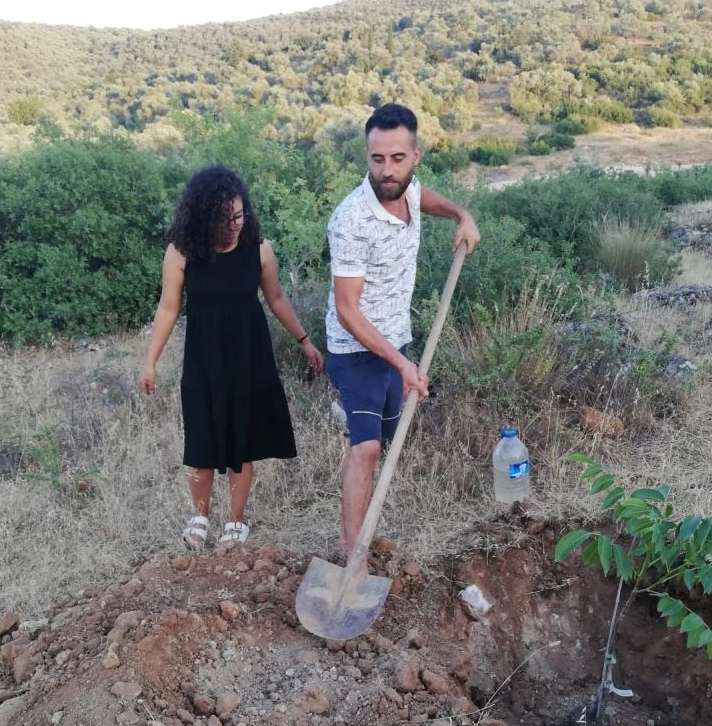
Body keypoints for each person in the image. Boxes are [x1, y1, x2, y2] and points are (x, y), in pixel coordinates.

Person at [325, 103, 480, 559]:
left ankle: (359, 525)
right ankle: (352, 552)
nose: (387, 171)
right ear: (367, 157)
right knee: (367, 448)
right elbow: (348, 312)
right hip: (354, 349)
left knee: (388, 437)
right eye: (377, 159)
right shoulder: (352, 220)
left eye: (397, 158)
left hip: (397, 337)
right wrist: (403, 365)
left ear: (415, 156)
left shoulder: (407, 190)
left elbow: (423, 196)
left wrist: (461, 215)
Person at [140, 165, 323, 549]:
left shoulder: (259, 249)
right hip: (203, 357)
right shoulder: (181, 252)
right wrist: (150, 361)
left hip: (248, 356)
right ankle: (199, 518)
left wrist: (305, 341)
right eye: (226, 219)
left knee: (244, 439)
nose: (236, 224)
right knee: (201, 437)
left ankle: (235, 522)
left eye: (240, 215)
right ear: (205, 217)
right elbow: (168, 309)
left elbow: (276, 299)